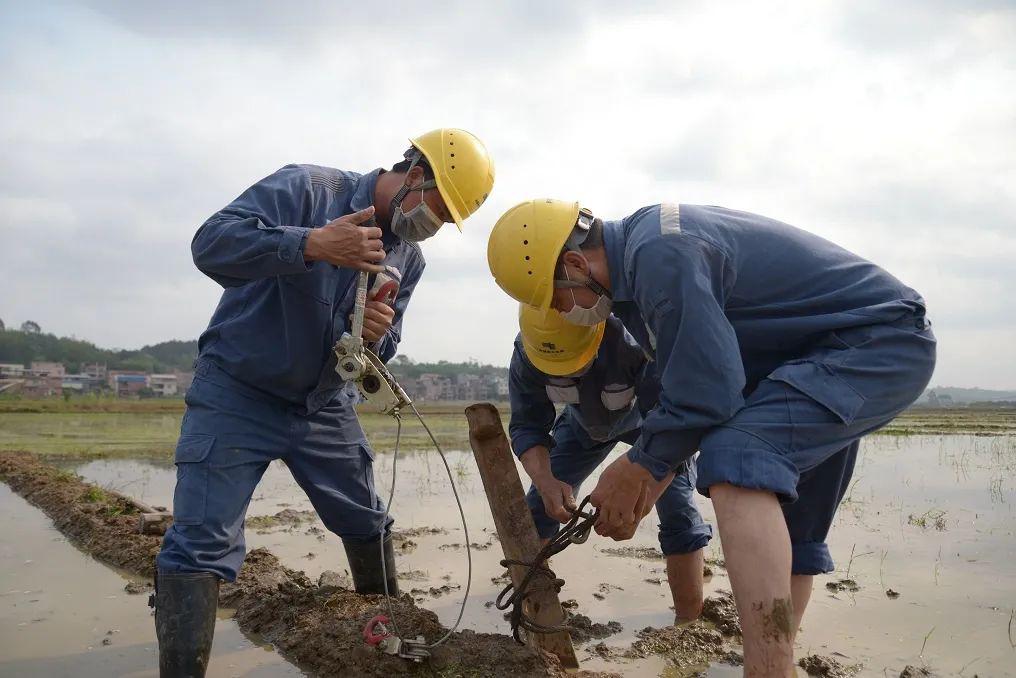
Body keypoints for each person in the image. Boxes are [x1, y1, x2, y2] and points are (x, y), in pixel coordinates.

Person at [487, 200, 935, 677]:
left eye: (558, 299)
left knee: (736, 455)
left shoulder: (657, 255)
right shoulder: (640, 267)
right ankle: (772, 665)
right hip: (812, 361)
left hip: (870, 342)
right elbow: (694, 397)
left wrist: (638, 467)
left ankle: (763, 668)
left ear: (575, 264)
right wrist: (641, 487)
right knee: (794, 524)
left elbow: (703, 394)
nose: (563, 312)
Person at [154, 129, 494, 677]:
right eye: (438, 207)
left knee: (366, 521)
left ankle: (382, 644)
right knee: (200, 543)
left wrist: (380, 334)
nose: (433, 225)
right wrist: (310, 244)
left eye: (447, 220)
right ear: (414, 173)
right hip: (239, 392)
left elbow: (381, 344)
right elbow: (211, 243)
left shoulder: (409, 257)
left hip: (322, 405)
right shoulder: (308, 190)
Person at [509, 304, 711, 621]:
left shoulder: (635, 341)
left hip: (651, 428)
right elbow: (527, 426)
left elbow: (675, 420)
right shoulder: (527, 352)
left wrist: (638, 505)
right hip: (584, 427)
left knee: (679, 512)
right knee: (538, 509)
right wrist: (546, 481)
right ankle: (535, 611)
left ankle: (688, 623)